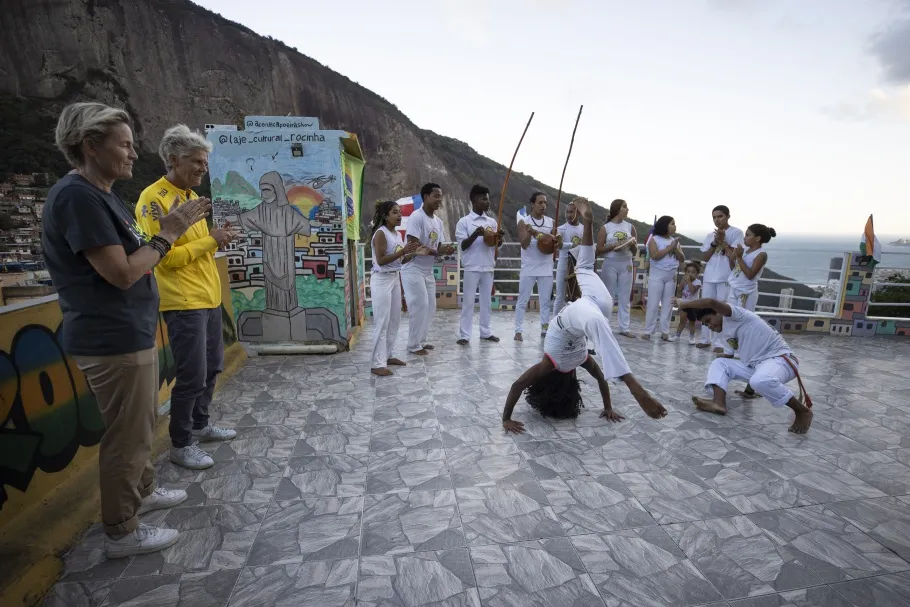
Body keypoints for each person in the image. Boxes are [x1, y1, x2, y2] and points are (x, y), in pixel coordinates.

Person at [42, 102, 210, 557]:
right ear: (90, 145)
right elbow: (122, 272)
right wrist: (169, 233)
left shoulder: (103, 194)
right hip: (111, 338)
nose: (134, 154)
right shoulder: (77, 196)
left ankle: (145, 492)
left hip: (129, 332)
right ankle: (122, 529)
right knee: (127, 437)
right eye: (125, 144)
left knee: (139, 426)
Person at [501, 198, 667, 432]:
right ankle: (588, 223)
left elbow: (519, 385)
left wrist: (506, 419)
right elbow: (599, 379)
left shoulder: (551, 363)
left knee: (587, 285)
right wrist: (607, 407)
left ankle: (634, 386)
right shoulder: (577, 359)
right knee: (585, 270)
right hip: (592, 306)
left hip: (581, 314)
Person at [135, 125, 240, 471]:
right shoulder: (154, 198)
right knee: (191, 374)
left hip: (207, 298)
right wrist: (213, 239)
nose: (202, 168)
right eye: (196, 161)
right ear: (174, 160)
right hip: (182, 303)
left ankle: (201, 424)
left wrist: (216, 238)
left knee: (212, 368)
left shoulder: (193, 199)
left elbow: (196, 251)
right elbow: (165, 255)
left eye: (205, 162)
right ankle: (181, 443)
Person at [674, 296, 813, 434]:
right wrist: (749, 391)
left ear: (718, 312)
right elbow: (751, 358)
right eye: (705, 324)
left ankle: (802, 411)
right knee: (720, 363)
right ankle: (718, 403)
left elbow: (711, 302)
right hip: (760, 365)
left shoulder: (737, 315)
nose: (710, 326)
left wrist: (685, 303)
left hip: (781, 360)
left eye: (709, 320)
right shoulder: (726, 333)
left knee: (760, 380)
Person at [401, 183, 456, 355]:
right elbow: (412, 245)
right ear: (426, 197)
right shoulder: (416, 217)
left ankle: (421, 341)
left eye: (441, 196)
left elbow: (437, 246)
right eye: (436, 196)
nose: (440, 200)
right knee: (420, 304)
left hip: (427, 270)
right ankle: (412, 345)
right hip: (412, 268)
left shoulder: (438, 222)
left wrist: (445, 250)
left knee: (430, 306)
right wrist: (436, 251)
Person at [368, 201, 420, 376]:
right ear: (385, 215)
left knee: (394, 321)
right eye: (395, 213)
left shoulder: (396, 234)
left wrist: (412, 254)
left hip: (394, 278)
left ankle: (388, 356)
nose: (399, 216)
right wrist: (403, 251)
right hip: (381, 280)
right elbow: (382, 260)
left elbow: (399, 260)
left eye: (400, 212)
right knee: (382, 322)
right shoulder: (381, 234)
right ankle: (377, 363)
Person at [455, 184, 503, 345]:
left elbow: (496, 244)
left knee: (486, 302)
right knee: (468, 302)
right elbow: (463, 245)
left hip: (488, 267)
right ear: (475, 200)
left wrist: (499, 238)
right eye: (484, 199)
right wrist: (476, 233)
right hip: (471, 267)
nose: (487, 202)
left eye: (488, 199)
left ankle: (486, 332)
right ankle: (464, 335)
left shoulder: (492, 222)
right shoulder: (464, 222)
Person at [697, 205, 744, 351]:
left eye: (720, 216)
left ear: (728, 216)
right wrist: (714, 242)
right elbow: (705, 257)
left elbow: (734, 255)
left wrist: (722, 240)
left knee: (722, 309)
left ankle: (719, 342)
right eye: (714, 217)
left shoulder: (736, 233)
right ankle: (705, 339)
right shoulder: (710, 236)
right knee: (706, 308)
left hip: (726, 277)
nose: (717, 220)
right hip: (710, 276)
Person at [515, 192, 561, 341]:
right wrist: (529, 233)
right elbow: (524, 244)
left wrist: (557, 240)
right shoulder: (524, 221)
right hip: (529, 267)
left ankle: (544, 328)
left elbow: (556, 245)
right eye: (540, 203)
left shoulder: (551, 222)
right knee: (523, 299)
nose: (543, 206)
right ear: (532, 204)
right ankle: (518, 330)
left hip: (546, 267)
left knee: (545, 301)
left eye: (545, 203)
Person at [596, 199, 637, 338]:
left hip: (626, 263)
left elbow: (635, 251)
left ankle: (624, 327)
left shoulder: (630, 227)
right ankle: (604, 325)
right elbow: (599, 249)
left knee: (625, 296)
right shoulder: (606, 228)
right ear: (617, 209)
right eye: (625, 207)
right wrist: (615, 245)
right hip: (610, 263)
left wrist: (631, 245)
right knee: (608, 296)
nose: (627, 209)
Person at [642, 216, 685, 341]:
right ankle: (648, 330)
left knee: (668, 303)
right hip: (657, 275)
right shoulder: (654, 240)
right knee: (653, 303)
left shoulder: (674, 241)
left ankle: (665, 331)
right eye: (672, 223)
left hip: (671, 276)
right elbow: (654, 256)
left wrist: (675, 248)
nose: (675, 226)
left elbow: (681, 258)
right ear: (665, 225)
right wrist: (669, 248)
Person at [553, 200, 584, 316]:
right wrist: (572, 245)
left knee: (577, 296)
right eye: (567, 212)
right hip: (564, 264)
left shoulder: (583, 229)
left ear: (579, 213)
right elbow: (559, 246)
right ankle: (554, 323)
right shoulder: (561, 229)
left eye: (572, 212)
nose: (569, 215)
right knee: (560, 296)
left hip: (579, 265)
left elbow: (586, 247)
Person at [675, 261, 703, 344]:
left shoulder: (698, 282)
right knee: (682, 321)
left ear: (697, 274)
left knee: (692, 322)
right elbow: (679, 290)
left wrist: (689, 282)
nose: (690, 274)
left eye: (693, 272)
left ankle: (691, 337)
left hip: (693, 305)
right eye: (688, 272)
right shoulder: (684, 280)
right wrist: (683, 282)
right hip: (684, 304)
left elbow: (693, 291)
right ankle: (677, 335)